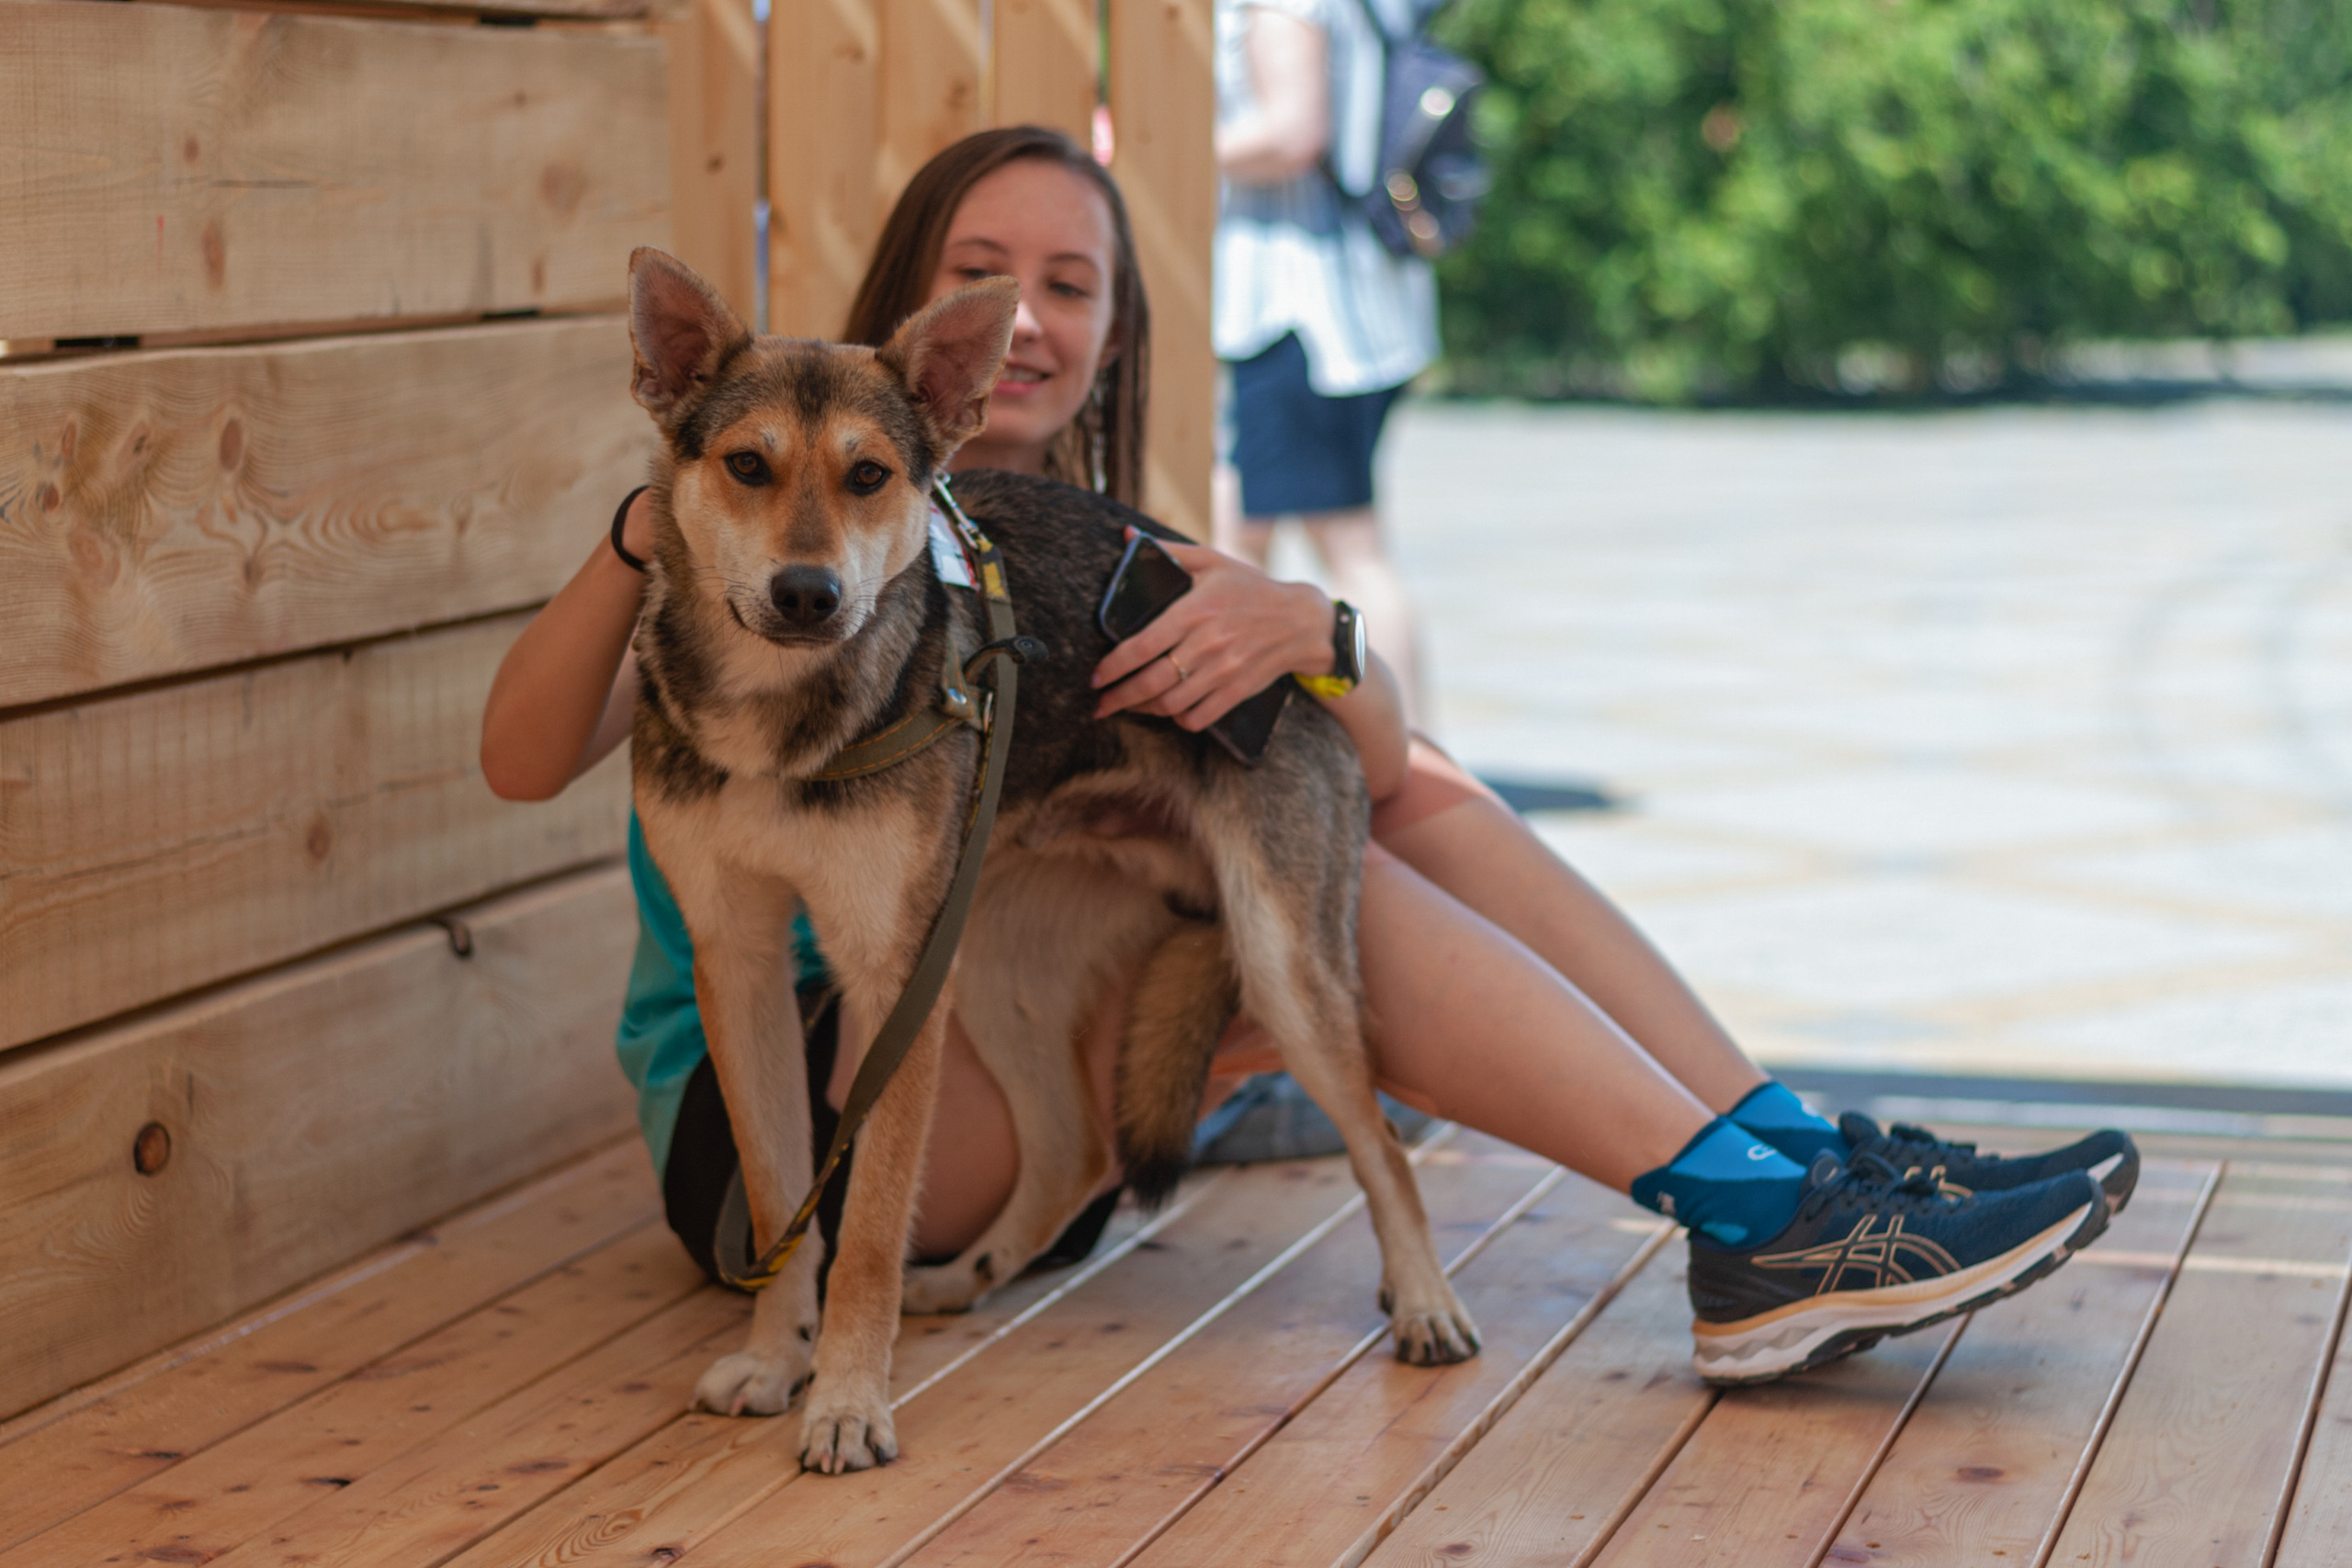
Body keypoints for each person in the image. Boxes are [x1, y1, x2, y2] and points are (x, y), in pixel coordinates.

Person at [481, 126, 2134, 1386]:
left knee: (1367, 800)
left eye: (1073, 287)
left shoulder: (1087, 554)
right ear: (923, 304)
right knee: (1338, 900)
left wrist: (1318, 631)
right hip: (797, 1133)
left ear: (1090, 338)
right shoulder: (742, 553)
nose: (1030, 319)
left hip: (1010, 1093)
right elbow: (520, 754)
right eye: (991, 270)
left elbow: (1395, 773)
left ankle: (1791, 1157)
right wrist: (645, 532)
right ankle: (1759, 1214)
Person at [1212, 0, 1435, 722]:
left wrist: (1156, 145)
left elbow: (1291, 131)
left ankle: (1407, 760)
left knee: (1347, 546)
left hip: (1300, 311)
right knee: (1241, 528)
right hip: (1352, 304)